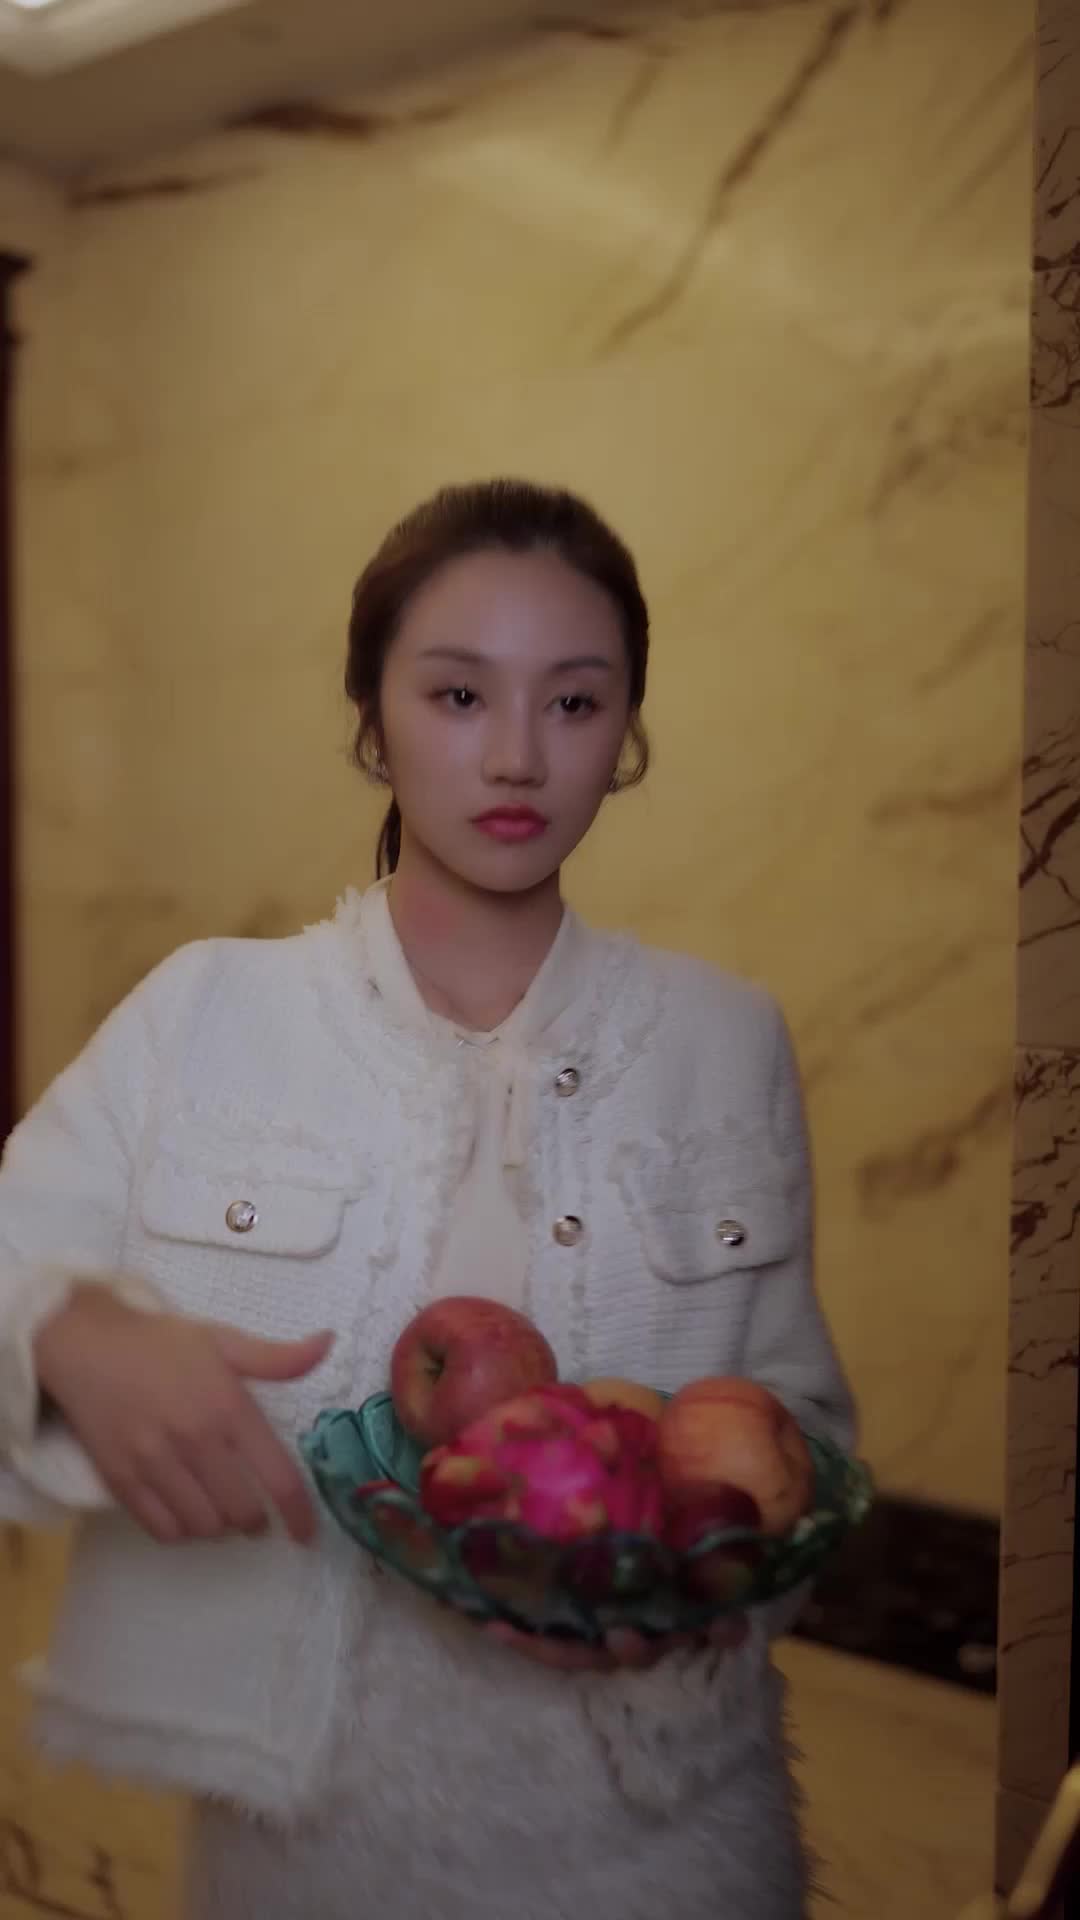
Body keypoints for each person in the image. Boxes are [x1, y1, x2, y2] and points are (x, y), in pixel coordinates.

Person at [0, 479, 855, 1919]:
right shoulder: (210, 1013)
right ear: (372, 719)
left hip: (675, 1840)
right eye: (459, 695)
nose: (518, 755)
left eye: (575, 702)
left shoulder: (725, 1040)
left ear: (627, 732)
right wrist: (66, 1332)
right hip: (306, 1850)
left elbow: (799, 1431)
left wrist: (703, 1592)